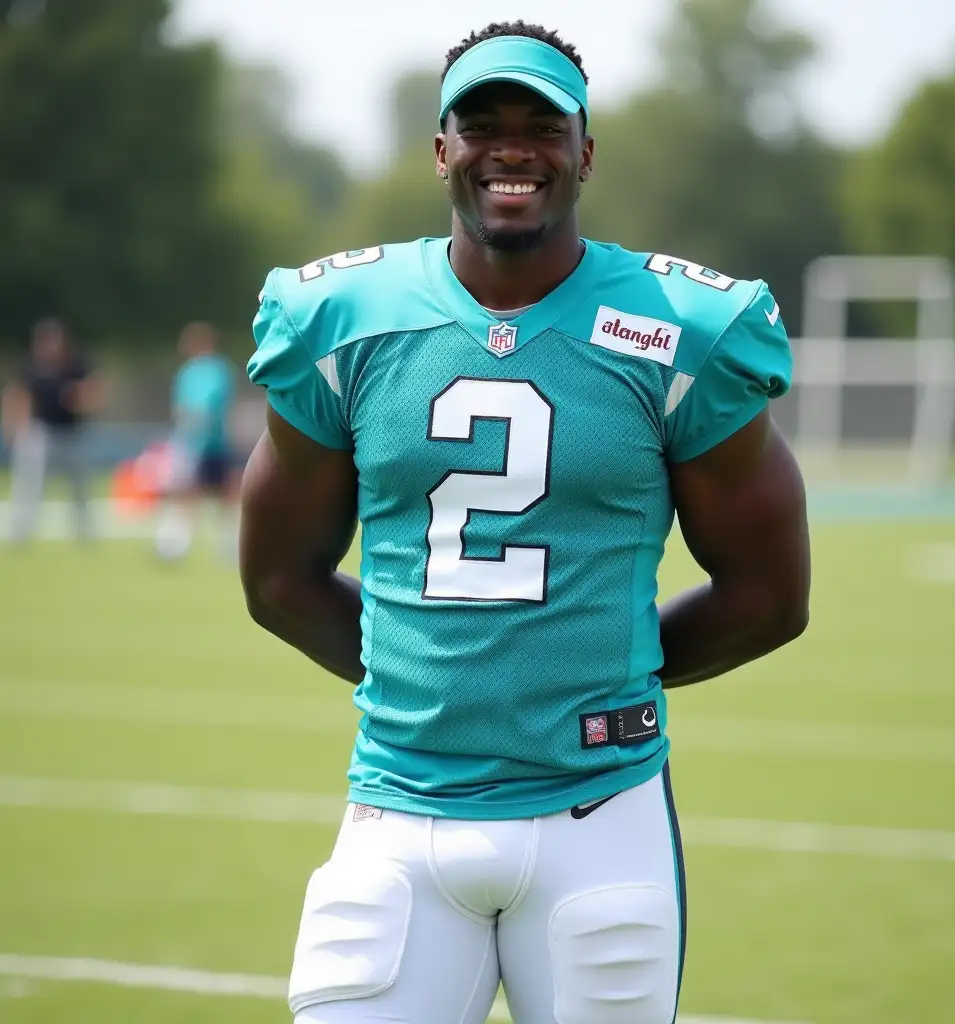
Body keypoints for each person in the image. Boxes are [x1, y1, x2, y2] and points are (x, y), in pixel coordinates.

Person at [240, 21, 811, 1024]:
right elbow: (277, 576)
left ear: (584, 151)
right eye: (482, 123)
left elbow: (770, 594)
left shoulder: (676, 327)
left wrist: (604, 675)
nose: (512, 147)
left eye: (542, 126)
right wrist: (427, 685)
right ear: (441, 150)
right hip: (398, 809)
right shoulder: (344, 315)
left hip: (600, 809)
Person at [2, 317, 102, 543]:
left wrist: (81, 397)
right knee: (29, 485)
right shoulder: (32, 368)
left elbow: (94, 391)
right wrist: (15, 428)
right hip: (42, 432)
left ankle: (85, 534)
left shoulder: (76, 366)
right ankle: (20, 533)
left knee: (80, 488)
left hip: (72, 433)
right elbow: (17, 396)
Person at [154, 321, 238, 560]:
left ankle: (230, 545)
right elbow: (180, 405)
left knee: (224, 494)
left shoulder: (217, 370)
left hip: (212, 443)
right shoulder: (186, 372)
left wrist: (198, 423)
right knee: (186, 492)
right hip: (189, 443)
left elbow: (211, 404)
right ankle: (175, 544)